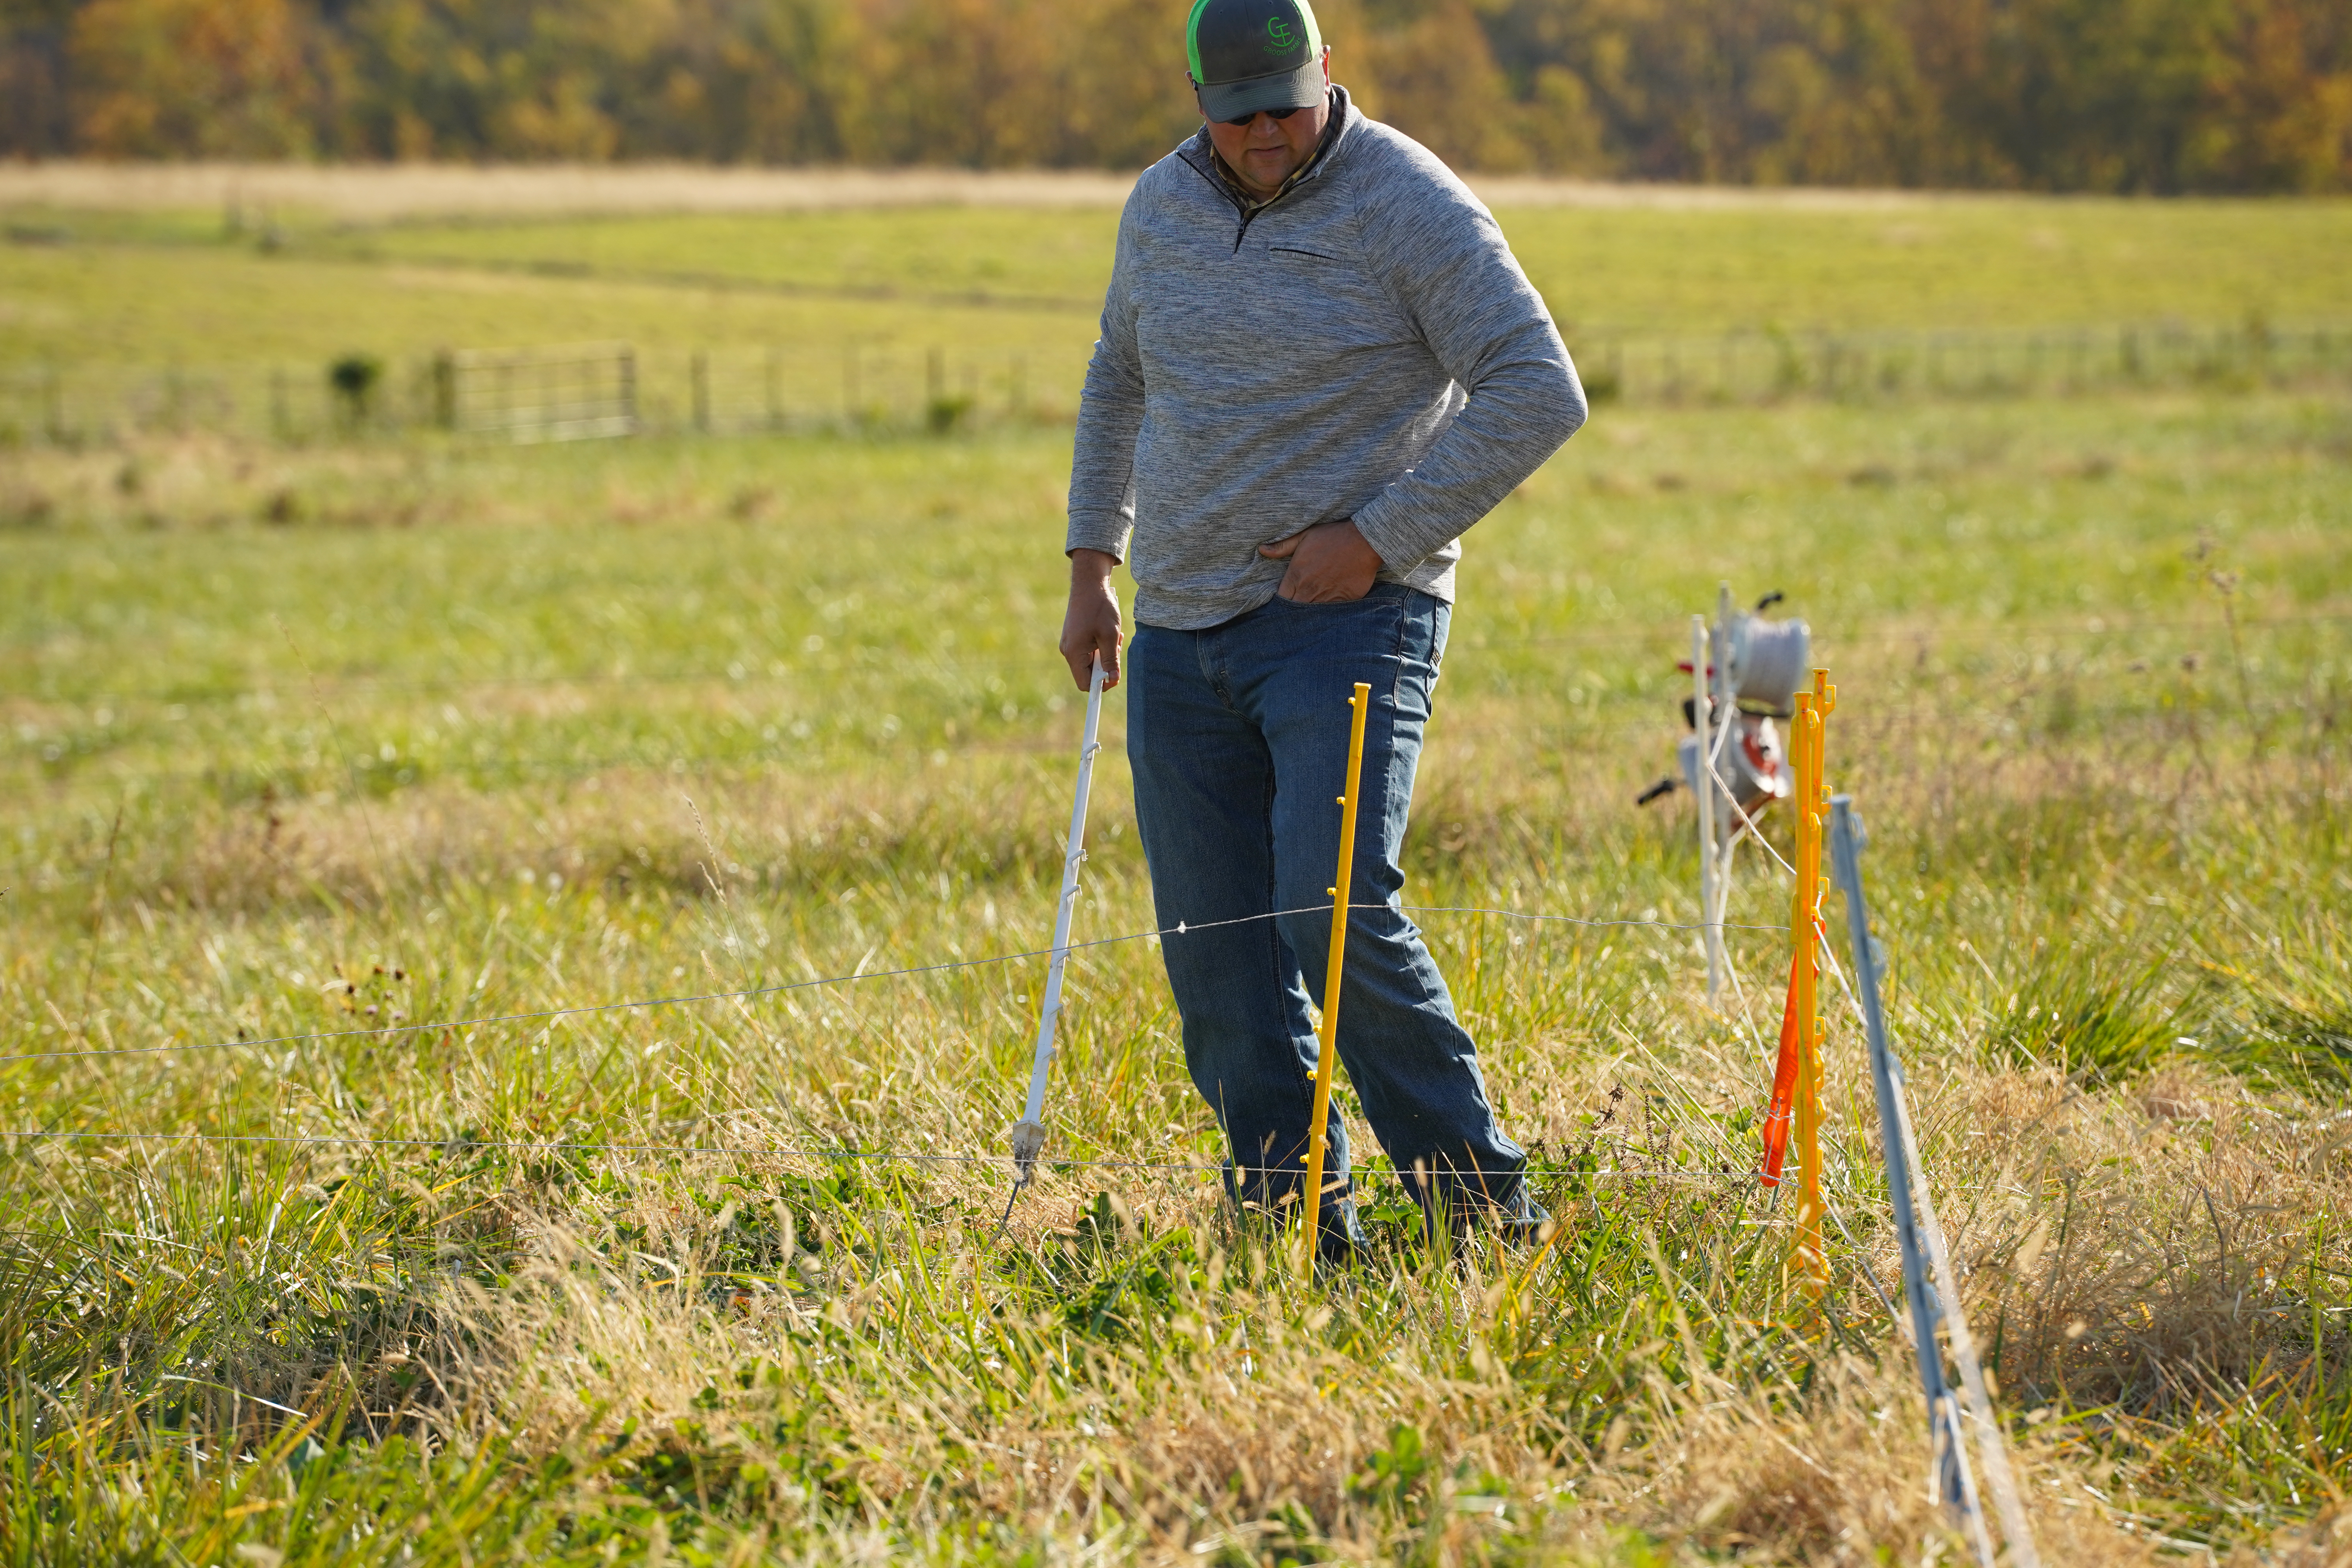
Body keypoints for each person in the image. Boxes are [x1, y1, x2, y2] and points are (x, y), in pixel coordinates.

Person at [1058, 0, 1586, 1258]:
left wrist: (1382, 535)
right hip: (1181, 636)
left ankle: (1484, 1211)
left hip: (1347, 622)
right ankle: (1298, 1224)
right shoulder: (1159, 207)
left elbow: (1537, 384)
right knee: (1215, 952)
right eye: (1237, 113)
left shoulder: (1407, 200)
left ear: (1327, 76)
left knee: (1332, 910)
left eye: (1287, 104)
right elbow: (1117, 376)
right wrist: (1093, 562)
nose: (1265, 133)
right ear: (1198, 103)